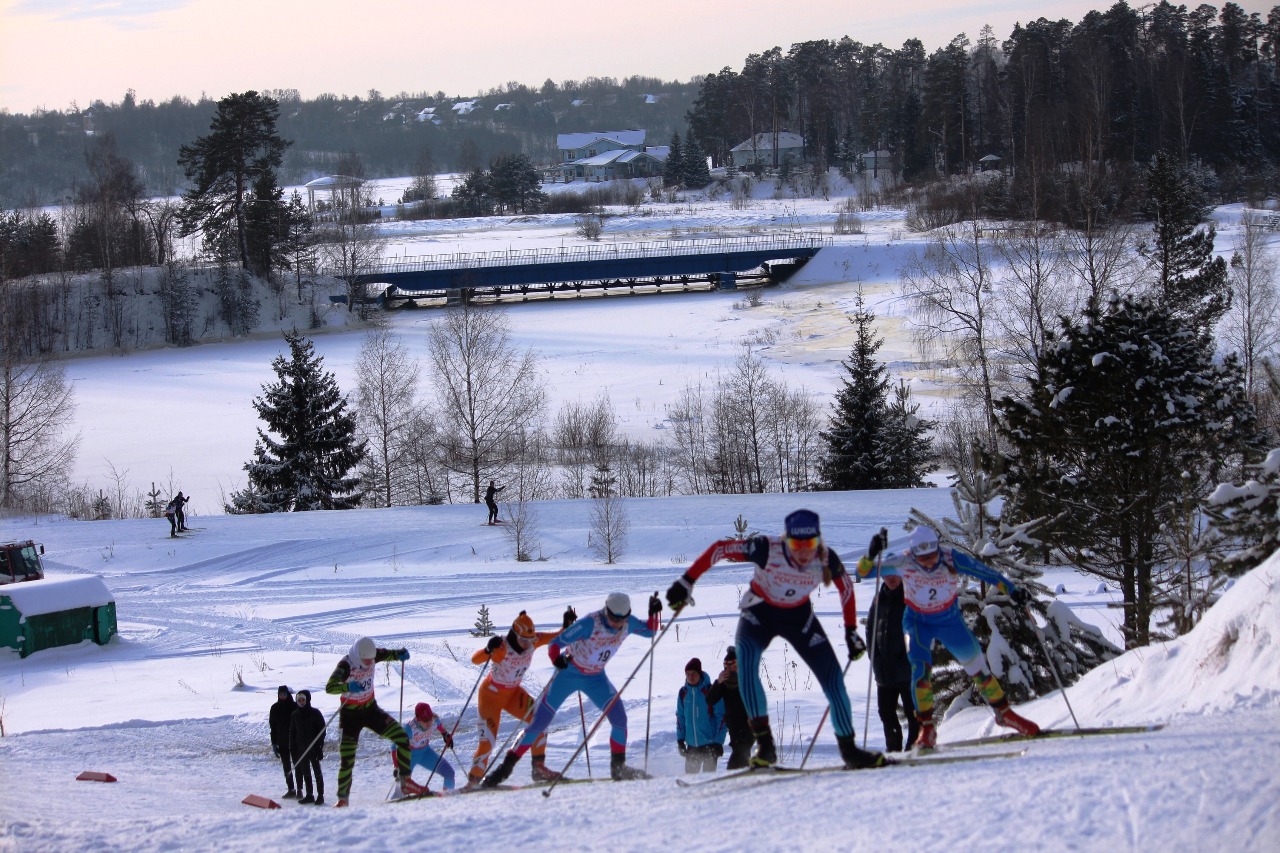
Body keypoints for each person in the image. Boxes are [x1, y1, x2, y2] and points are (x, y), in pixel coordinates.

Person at [665, 509, 886, 770]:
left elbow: (846, 588)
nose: (803, 551)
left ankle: (849, 751)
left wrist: (850, 630)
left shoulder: (825, 557)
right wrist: (686, 580)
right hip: (759, 615)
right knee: (746, 668)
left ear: (818, 540)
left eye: (810, 544)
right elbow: (720, 549)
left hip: (799, 619)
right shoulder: (767, 548)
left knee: (834, 679)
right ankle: (766, 745)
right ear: (786, 540)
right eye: (796, 544)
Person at [857, 525, 1040, 750]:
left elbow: (986, 573)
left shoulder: (951, 558)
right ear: (913, 554)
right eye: (921, 558)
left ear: (937, 548)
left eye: (932, 555)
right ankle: (926, 729)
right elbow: (863, 572)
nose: (928, 562)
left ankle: (1004, 713)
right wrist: (871, 554)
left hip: (949, 621)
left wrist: (1012, 591)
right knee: (919, 670)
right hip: (917, 623)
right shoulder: (904, 562)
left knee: (978, 668)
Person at [482, 593, 659, 786]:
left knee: (620, 720)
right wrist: (555, 659)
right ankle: (504, 770)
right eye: (613, 618)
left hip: (596, 678)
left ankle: (618, 768)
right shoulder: (590, 622)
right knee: (539, 723)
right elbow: (555, 644)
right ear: (606, 610)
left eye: (621, 619)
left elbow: (650, 631)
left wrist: (653, 613)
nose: (616, 623)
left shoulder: (628, 623)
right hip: (568, 674)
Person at [466, 610, 563, 787]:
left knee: (540, 720)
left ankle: (538, 768)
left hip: (512, 693)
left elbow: (556, 637)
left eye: (530, 640)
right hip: (491, 696)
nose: (527, 644)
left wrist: (568, 626)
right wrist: (488, 649)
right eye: (523, 640)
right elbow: (475, 660)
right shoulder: (502, 648)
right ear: (514, 634)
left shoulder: (533, 641)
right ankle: (473, 781)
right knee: (487, 744)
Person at [324, 637, 421, 806]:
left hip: (370, 710)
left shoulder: (373, 655)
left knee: (402, 737)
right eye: (366, 659)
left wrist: (401, 654)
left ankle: (405, 783)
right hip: (350, 716)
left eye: (371, 659)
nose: (370, 662)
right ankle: (342, 799)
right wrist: (347, 687)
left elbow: (389, 654)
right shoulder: (346, 665)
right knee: (347, 760)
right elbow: (330, 687)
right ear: (357, 655)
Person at [866, 574, 920, 752]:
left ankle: (913, 749)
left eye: (894, 576)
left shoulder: (910, 597)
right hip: (884, 669)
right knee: (886, 712)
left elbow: (920, 628)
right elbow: (870, 628)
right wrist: (874, 657)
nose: (891, 579)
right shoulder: (878, 599)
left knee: (913, 714)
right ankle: (893, 748)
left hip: (907, 667)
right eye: (886, 576)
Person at [675, 657, 725, 774]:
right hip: (692, 746)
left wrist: (718, 742)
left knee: (707, 780)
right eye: (688, 674)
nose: (691, 677)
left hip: (710, 745)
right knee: (690, 779)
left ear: (700, 673)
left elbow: (721, 717)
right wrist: (680, 740)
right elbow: (680, 717)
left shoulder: (710, 690)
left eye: (694, 673)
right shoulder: (683, 693)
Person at [705, 647, 752, 769]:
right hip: (734, 728)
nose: (728, 668)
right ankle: (748, 776)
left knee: (736, 760)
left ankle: (736, 774)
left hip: (748, 727)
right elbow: (710, 700)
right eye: (726, 665)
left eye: (732, 665)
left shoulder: (747, 679)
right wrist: (718, 682)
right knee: (742, 755)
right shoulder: (725, 683)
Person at [398, 702, 456, 794]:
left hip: (426, 753)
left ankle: (448, 797)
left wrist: (445, 735)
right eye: (425, 721)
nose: (428, 723)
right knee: (403, 787)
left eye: (429, 719)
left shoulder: (434, 720)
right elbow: (395, 747)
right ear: (418, 719)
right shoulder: (409, 729)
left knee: (450, 774)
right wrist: (396, 765)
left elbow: (441, 728)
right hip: (409, 758)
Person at [289, 689, 327, 804]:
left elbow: (322, 730)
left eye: (303, 700)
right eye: (299, 700)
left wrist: (319, 746)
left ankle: (320, 795)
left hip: (314, 748)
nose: (301, 702)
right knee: (306, 772)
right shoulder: (295, 714)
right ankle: (309, 795)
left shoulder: (315, 713)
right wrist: (292, 747)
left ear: (307, 700)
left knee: (317, 772)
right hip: (301, 748)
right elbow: (292, 732)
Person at [269, 685, 300, 798]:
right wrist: (274, 743)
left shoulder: (294, 706)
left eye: (284, 694)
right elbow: (273, 727)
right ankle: (291, 789)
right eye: (280, 694)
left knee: (298, 764)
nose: (282, 696)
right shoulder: (274, 708)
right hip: (282, 741)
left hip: (294, 740)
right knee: (286, 766)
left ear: (288, 694)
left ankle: (300, 789)